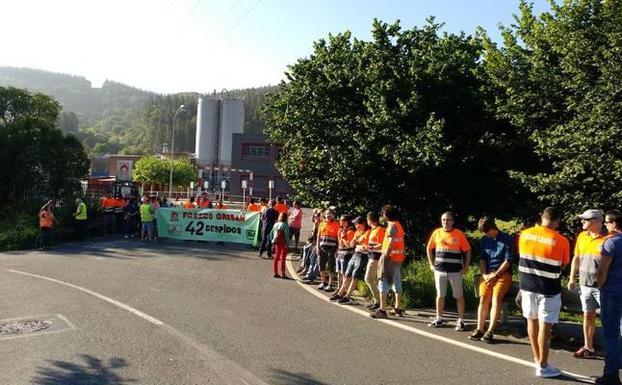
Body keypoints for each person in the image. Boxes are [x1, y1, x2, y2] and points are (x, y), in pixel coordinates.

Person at [519, 207, 569, 378]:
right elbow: (563, 265)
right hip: (548, 289)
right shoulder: (561, 240)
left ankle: (536, 358)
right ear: (556, 220)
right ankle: (543, 365)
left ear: (542, 217)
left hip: (527, 286)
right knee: (545, 328)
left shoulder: (525, 234)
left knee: (531, 321)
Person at [568, 209, 607, 358]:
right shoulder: (582, 236)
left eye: (586, 220)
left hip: (603, 286)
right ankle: (588, 347)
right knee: (588, 315)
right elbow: (576, 258)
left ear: (597, 222)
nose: (582, 222)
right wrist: (572, 278)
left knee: (610, 318)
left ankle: (613, 349)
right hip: (585, 284)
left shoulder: (607, 239)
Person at [469, 216, 513, 343]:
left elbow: (508, 260)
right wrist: (484, 274)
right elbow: (482, 258)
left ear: (493, 229)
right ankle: (480, 328)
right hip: (488, 274)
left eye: (486, 232)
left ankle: (491, 331)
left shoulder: (507, 239)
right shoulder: (484, 240)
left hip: (503, 274)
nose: (485, 235)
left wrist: (497, 275)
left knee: (496, 297)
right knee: (483, 297)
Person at [426, 211, 471, 329]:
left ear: (453, 221)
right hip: (440, 270)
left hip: (455, 271)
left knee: (459, 295)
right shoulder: (437, 232)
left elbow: (467, 250)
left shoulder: (459, 234)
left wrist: (466, 267)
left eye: (448, 220)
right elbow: (429, 248)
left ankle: (461, 320)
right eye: (443, 220)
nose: (445, 222)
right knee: (440, 295)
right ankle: (439, 318)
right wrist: (431, 264)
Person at [595, 210, 622, 385]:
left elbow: (602, 271)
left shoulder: (611, 243)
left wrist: (600, 285)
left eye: (606, 222)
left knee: (611, 333)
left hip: (612, 291)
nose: (605, 225)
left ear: (613, 223)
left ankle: (611, 373)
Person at [371, 205, 407, 319]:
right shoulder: (399, 225)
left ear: (386, 215)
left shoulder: (391, 226)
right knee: (397, 282)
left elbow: (391, 242)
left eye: (383, 214)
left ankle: (382, 310)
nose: (382, 216)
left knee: (383, 281)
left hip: (390, 259)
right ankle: (398, 307)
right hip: (398, 258)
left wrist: (385, 255)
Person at [331, 216, 370, 305]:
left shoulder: (368, 232)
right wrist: (348, 240)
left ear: (363, 224)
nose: (356, 226)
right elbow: (351, 245)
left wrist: (357, 242)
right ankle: (340, 293)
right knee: (347, 274)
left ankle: (347, 296)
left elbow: (365, 246)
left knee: (354, 276)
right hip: (355, 254)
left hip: (362, 256)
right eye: (355, 224)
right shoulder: (357, 232)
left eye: (357, 224)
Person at [364, 212, 385, 310]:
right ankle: (377, 301)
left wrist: (370, 247)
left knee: (368, 278)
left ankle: (378, 300)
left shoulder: (379, 230)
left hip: (376, 257)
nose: (367, 221)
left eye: (367, 219)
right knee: (375, 280)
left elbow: (381, 244)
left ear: (371, 220)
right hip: (372, 256)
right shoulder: (373, 229)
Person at [317, 209, 340, 292]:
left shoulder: (336, 224)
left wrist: (337, 249)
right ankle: (324, 282)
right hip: (322, 247)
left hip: (332, 248)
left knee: (330, 266)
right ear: (324, 215)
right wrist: (317, 247)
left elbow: (338, 238)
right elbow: (318, 236)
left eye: (330, 214)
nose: (328, 215)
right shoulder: (321, 224)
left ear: (332, 215)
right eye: (327, 214)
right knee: (321, 265)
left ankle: (330, 284)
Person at [333, 215, 355, 297]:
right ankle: (339, 288)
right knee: (339, 272)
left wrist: (343, 238)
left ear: (347, 221)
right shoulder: (341, 230)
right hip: (340, 252)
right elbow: (339, 242)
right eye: (340, 220)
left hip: (347, 253)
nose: (340, 222)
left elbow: (349, 245)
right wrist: (337, 250)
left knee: (344, 273)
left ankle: (344, 290)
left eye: (342, 220)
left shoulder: (350, 231)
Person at [301, 210, 322, 283]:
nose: (314, 218)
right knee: (311, 259)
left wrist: (317, 245)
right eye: (314, 217)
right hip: (314, 243)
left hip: (319, 244)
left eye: (316, 217)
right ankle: (309, 275)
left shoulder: (321, 225)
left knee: (315, 261)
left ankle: (311, 276)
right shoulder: (316, 225)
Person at [270, 212, 290, 278]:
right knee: (283, 258)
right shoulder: (285, 224)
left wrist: (272, 240)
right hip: (283, 242)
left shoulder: (276, 224)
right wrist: (287, 243)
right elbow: (286, 235)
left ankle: (275, 272)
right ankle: (283, 273)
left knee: (276, 257)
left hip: (276, 242)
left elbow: (271, 233)